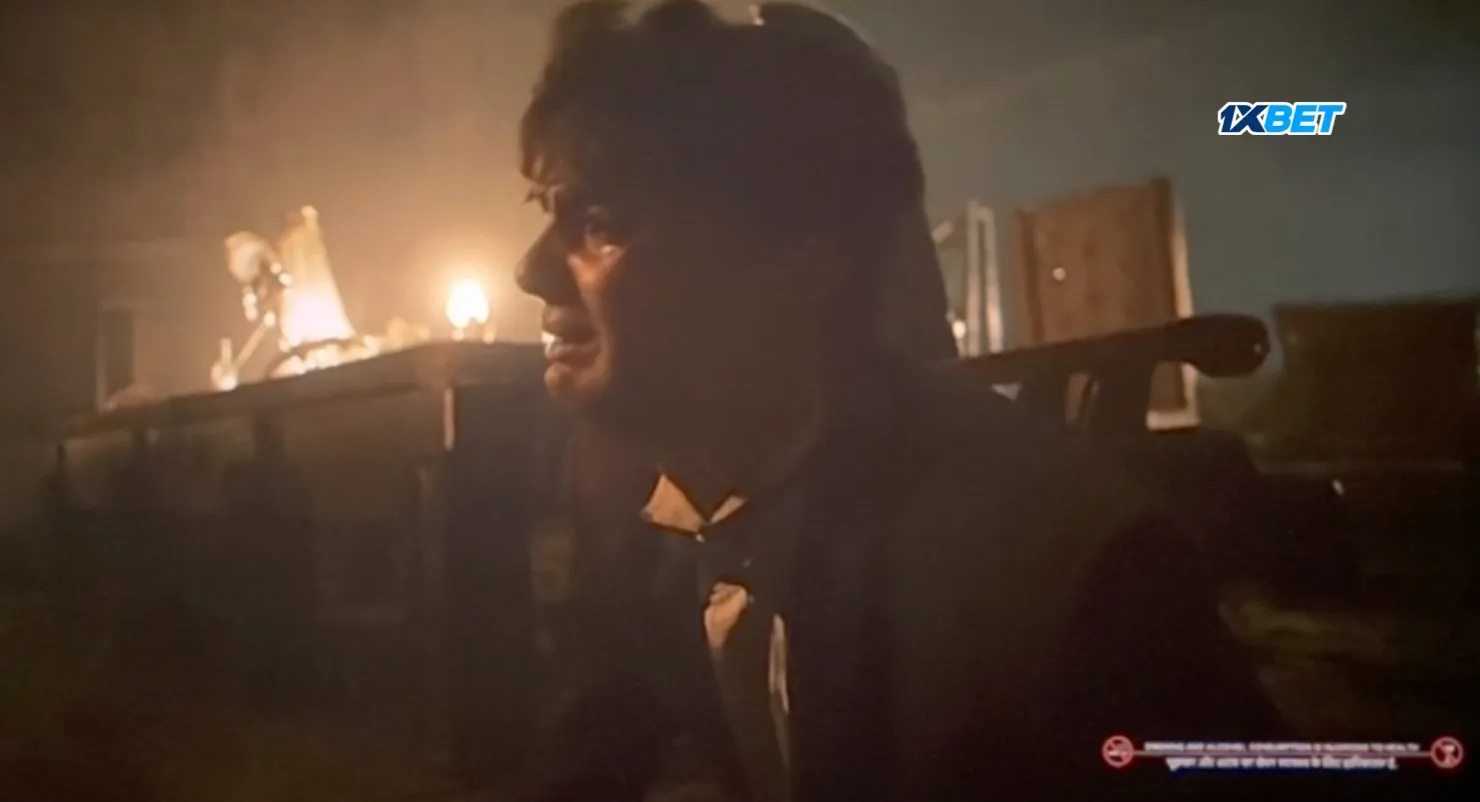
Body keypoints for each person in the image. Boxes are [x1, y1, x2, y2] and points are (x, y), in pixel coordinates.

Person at [514, 2, 1282, 800]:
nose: (530, 272)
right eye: (546, 211)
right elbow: (592, 753)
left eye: (602, 221)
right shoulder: (615, 474)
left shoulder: (1067, 576)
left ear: (808, 254)